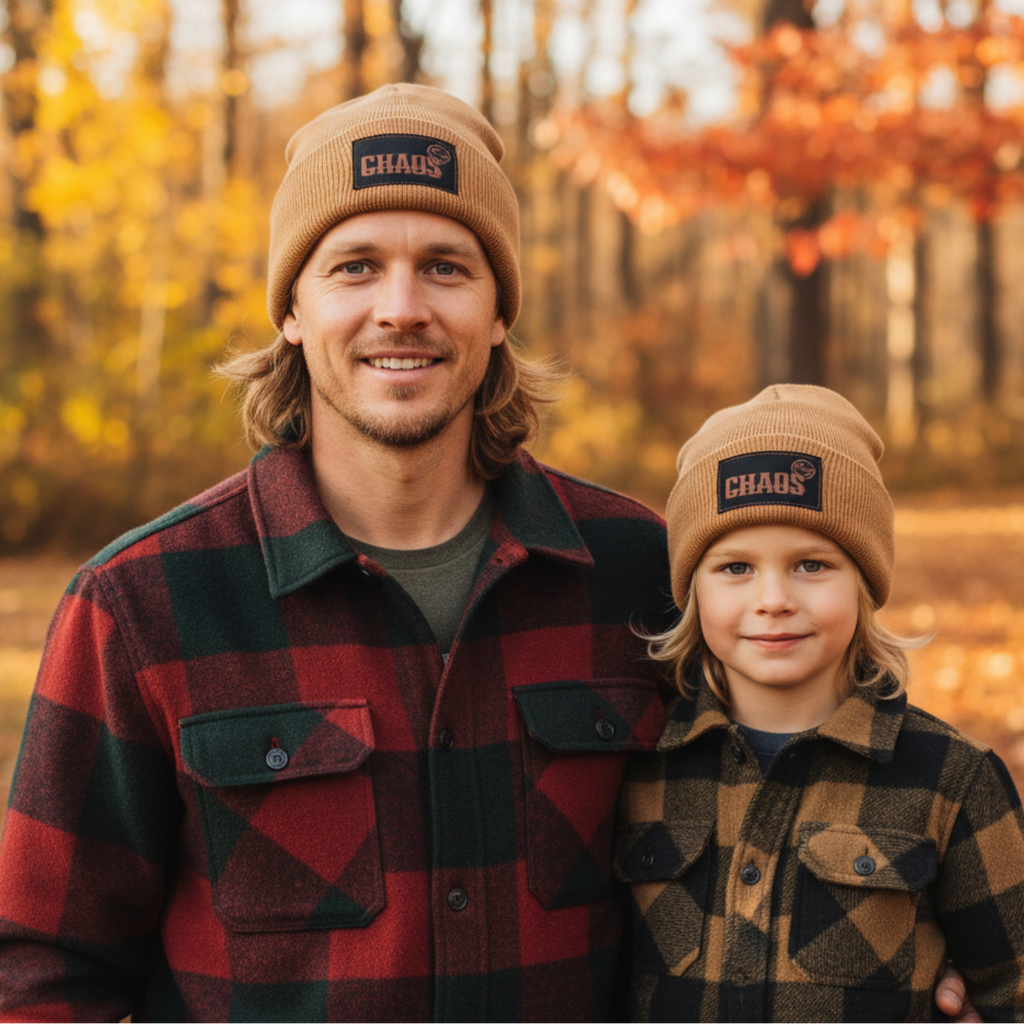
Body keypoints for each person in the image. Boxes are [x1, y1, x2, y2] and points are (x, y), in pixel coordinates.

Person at [0, 86, 980, 1023]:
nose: (401, 306)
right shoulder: (142, 608)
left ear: (499, 309)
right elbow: (42, 972)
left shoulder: (644, 575)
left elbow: (817, 779)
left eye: (446, 266)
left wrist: (933, 962)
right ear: (290, 310)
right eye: (354, 265)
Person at [616, 385, 1024, 1022]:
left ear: (865, 584)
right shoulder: (641, 768)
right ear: (692, 590)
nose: (773, 598)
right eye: (735, 568)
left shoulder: (954, 781)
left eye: (811, 564)